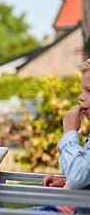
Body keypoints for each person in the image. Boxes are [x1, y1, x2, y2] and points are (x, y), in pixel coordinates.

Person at [26, 59, 90, 214]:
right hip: (60, 205)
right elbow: (83, 176)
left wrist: (69, 133)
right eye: (82, 90)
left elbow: (78, 176)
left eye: (89, 90)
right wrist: (68, 184)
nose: (81, 97)